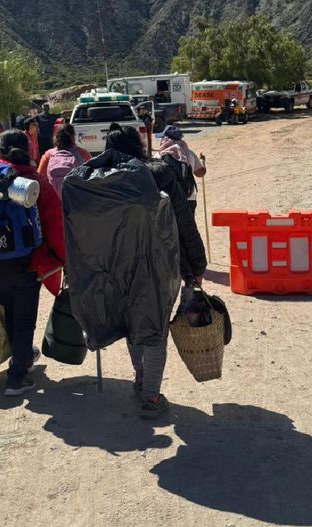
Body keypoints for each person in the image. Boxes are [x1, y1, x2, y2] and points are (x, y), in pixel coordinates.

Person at [103, 124, 207, 418]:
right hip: (159, 267)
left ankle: (141, 377)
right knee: (155, 330)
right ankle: (151, 396)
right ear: (138, 146)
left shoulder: (97, 180)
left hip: (116, 268)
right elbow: (183, 222)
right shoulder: (159, 173)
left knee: (131, 325)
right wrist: (196, 265)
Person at [0, 130, 65, 396]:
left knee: (8, 311)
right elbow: (54, 226)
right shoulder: (33, 182)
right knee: (24, 316)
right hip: (25, 262)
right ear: (28, 150)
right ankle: (17, 376)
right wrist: (64, 259)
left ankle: (22, 356)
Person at [158, 125, 206, 215]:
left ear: (165, 139)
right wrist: (203, 163)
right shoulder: (189, 154)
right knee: (188, 223)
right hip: (188, 197)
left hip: (169, 199)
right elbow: (200, 173)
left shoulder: (159, 156)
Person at [37, 124, 91, 197]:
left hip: (55, 198)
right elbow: (92, 177)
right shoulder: (83, 153)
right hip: (76, 198)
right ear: (73, 136)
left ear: (56, 137)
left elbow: (40, 178)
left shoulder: (48, 155)